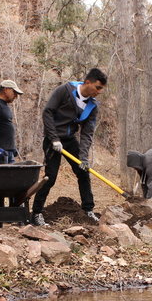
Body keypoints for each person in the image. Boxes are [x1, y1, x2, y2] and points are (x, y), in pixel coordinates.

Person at [30, 68, 108, 226]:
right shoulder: (64, 91)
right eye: (98, 88)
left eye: (101, 89)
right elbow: (48, 112)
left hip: (70, 140)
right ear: (88, 82)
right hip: (53, 140)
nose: (99, 92)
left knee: (83, 173)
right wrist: (53, 138)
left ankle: (88, 210)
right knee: (50, 177)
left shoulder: (92, 106)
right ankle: (36, 213)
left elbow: (87, 133)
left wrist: (83, 157)